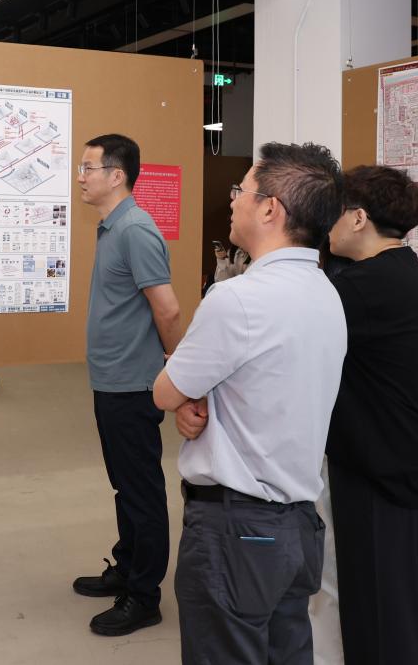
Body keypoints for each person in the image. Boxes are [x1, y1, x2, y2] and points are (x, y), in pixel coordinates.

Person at [154, 141, 347, 664]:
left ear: (269, 210)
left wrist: (188, 395)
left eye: (241, 189)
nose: (233, 199)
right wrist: (204, 397)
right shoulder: (325, 292)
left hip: (235, 530)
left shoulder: (237, 299)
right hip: (298, 525)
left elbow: (165, 391)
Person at [324, 165, 418, 665]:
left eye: (333, 212)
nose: (325, 224)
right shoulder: (402, 272)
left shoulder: (362, 288)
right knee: (409, 606)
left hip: (387, 475)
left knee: (380, 618)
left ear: (358, 218)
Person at [72, 134, 183, 636]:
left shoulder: (136, 230)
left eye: (88, 167)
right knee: (125, 485)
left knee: (141, 490)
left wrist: (176, 368)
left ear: (117, 175)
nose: (81, 176)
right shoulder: (112, 227)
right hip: (112, 378)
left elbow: (168, 309)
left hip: (134, 383)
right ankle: (127, 566)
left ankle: (144, 596)